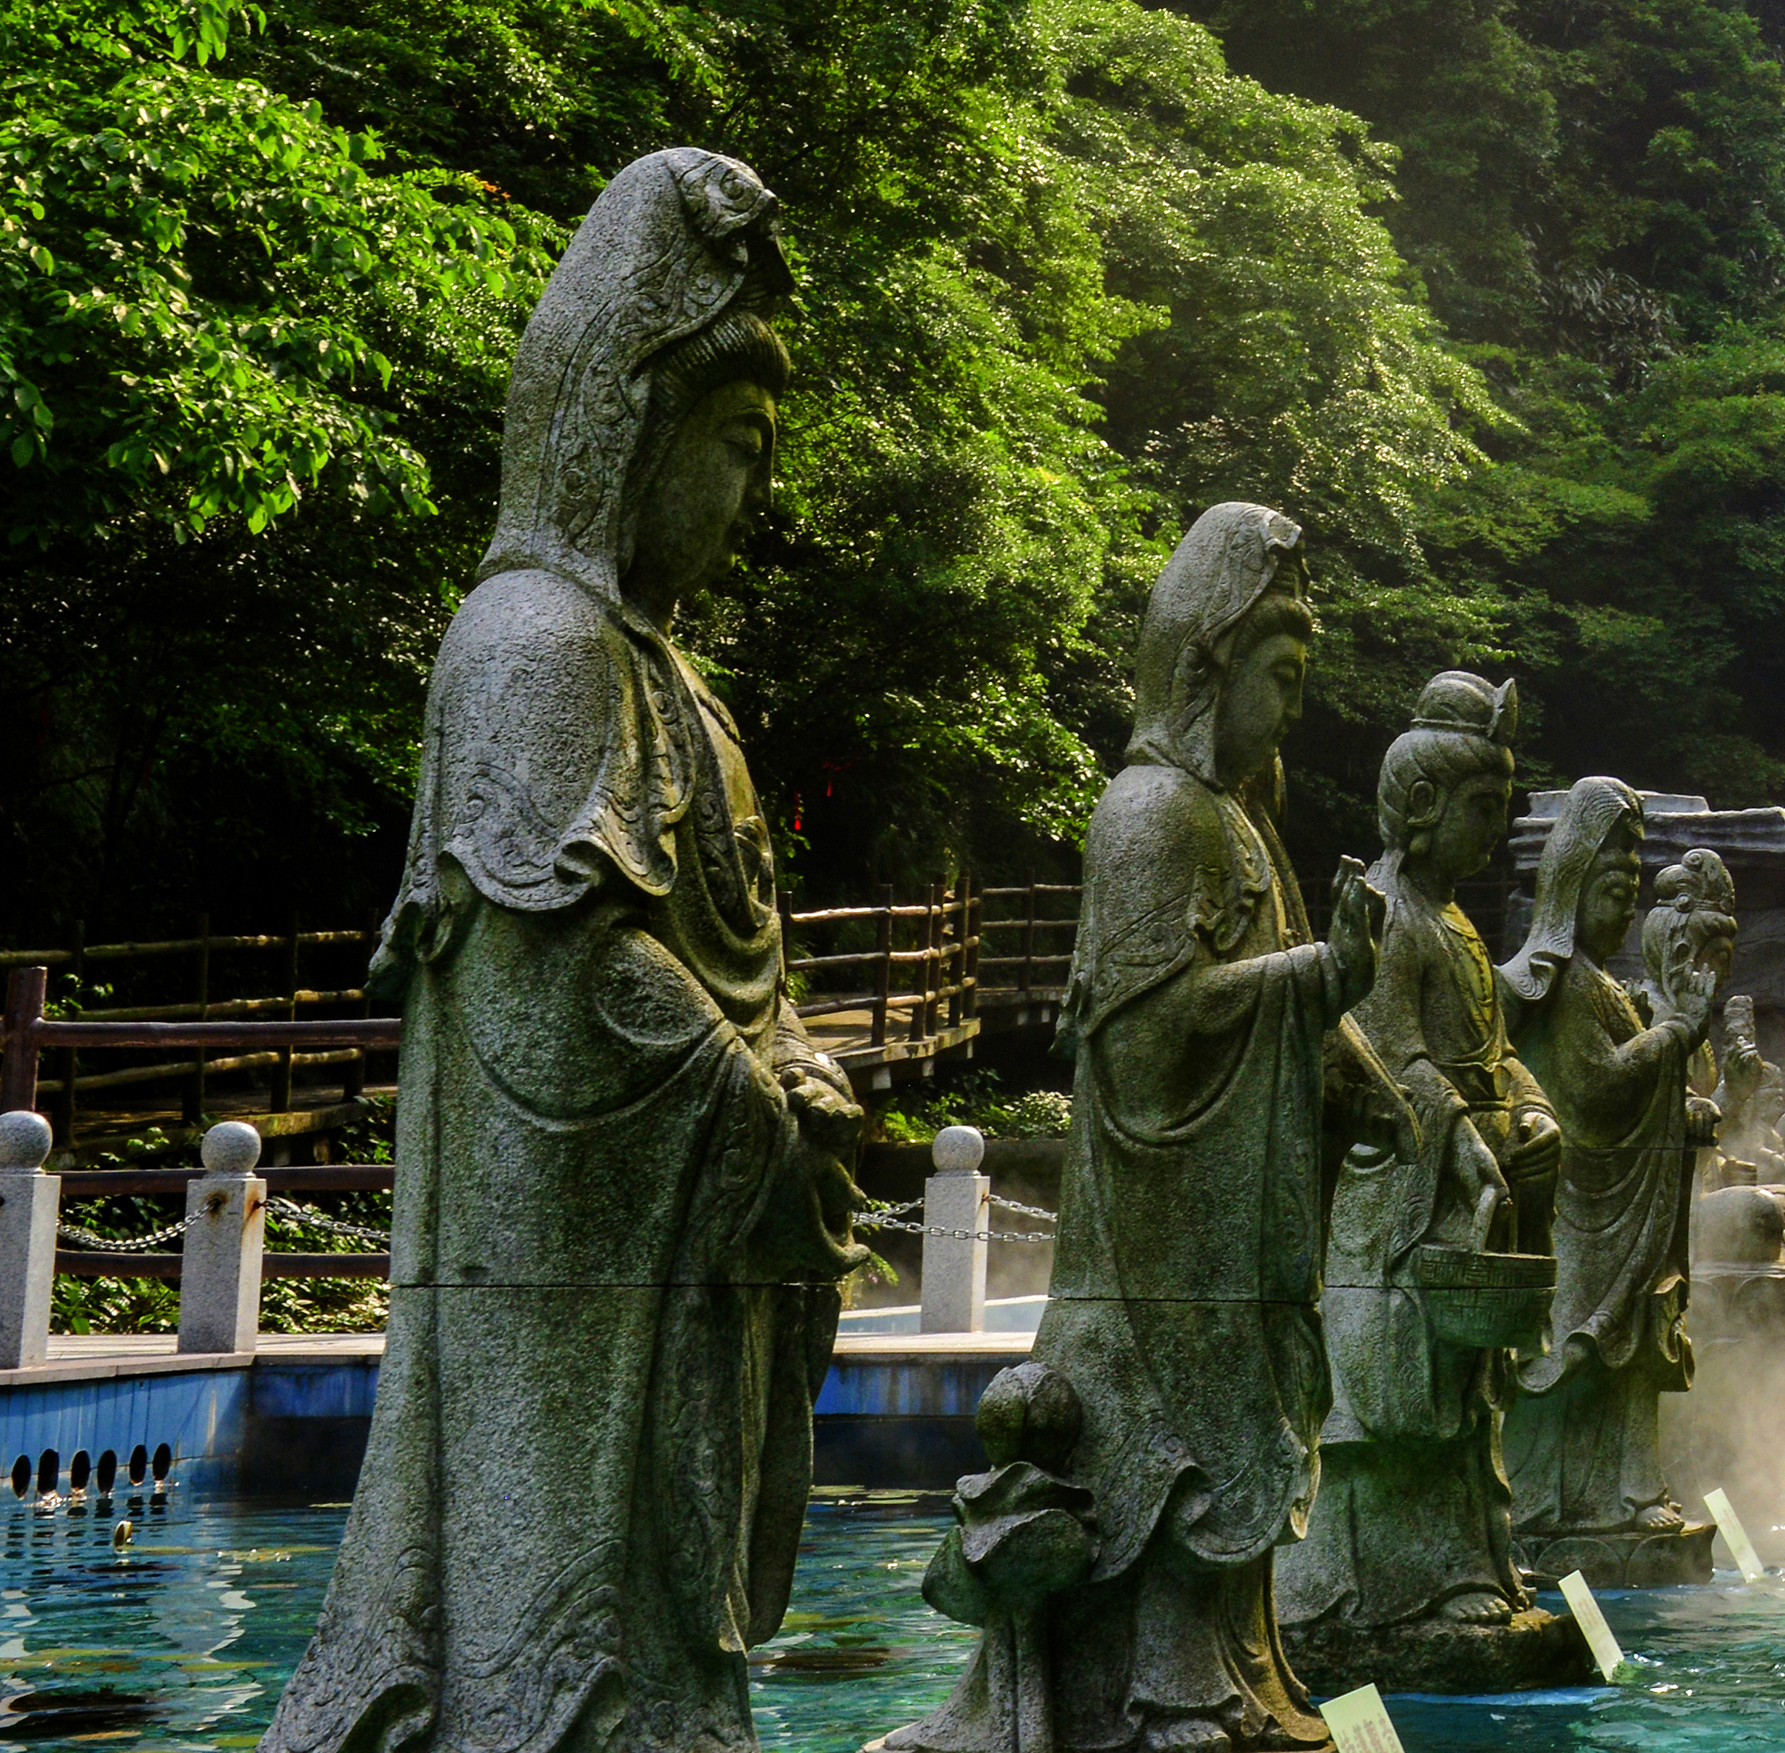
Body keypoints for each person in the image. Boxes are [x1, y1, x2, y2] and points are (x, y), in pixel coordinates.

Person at [268, 147, 861, 1753]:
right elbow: (565, 990)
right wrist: (749, 1094)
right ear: (634, 418)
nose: (755, 494)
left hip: (696, 1255)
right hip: (579, 1270)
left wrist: (795, 1059)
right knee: (565, 1633)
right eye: (738, 445)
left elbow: (748, 957)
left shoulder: (684, 689)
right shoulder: (532, 643)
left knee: (683, 1612)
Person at [909, 504, 1370, 1753]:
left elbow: (1290, 1004)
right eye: (1278, 676)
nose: (1289, 709)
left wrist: (1357, 1072)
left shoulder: (1241, 824)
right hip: (1161, 1237)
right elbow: (1149, 1043)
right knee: (1175, 1462)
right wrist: (1313, 979)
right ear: (1208, 665)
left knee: (1239, 1449)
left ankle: (1231, 1679)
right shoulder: (1149, 812)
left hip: (1237, 1236)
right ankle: (1169, 1696)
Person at [1279, 673, 1559, 1680]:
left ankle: (1459, 1574)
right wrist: (1453, 1132)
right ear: (1423, 807)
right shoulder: (1389, 914)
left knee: (1465, 1403)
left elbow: (1491, 1050)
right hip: (1396, 1198)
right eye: (1485, 809)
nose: (1497, 829)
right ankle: (1352, 1593)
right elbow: (1379, 1048)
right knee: (1387, 1406)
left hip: (1467, 1205)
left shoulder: (1462, 925)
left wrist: (1526, 1109)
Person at [1503, 781, 1719, 1554]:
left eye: (1631, 892)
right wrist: (1678, 1032)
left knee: (1635, 1346)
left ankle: (1627, 1492)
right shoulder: (1560, 983)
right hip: (1580, 1201)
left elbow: (1639, 1082)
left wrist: (1680, 1093)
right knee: (1570, 1355)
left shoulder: (1604, 985)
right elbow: (1597, 1085)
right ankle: (1542, 1502)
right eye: (1611, 887)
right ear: (1570, 885)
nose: (1625, 907)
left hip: (1628, 1200)